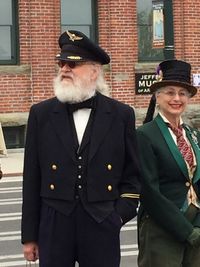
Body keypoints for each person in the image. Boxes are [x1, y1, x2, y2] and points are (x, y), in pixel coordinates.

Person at [21, 30, 141, 267]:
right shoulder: (41, 114)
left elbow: (133, 175)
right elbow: (32, 178)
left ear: (94, 71)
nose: (64, 69)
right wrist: (29, 237)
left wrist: (117, 216)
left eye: (73, 65)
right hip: (54, 220)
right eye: (62, 63)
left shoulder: (120, 115)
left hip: (101, 221)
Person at [137, 59, 200, 267]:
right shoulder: (146, 135)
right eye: (170, 92)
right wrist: (187, 231)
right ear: (158, 95)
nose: (176, 98)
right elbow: (149, 193)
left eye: (182, 93)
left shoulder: (192, 134)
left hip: (196, 230)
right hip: (161, 231)